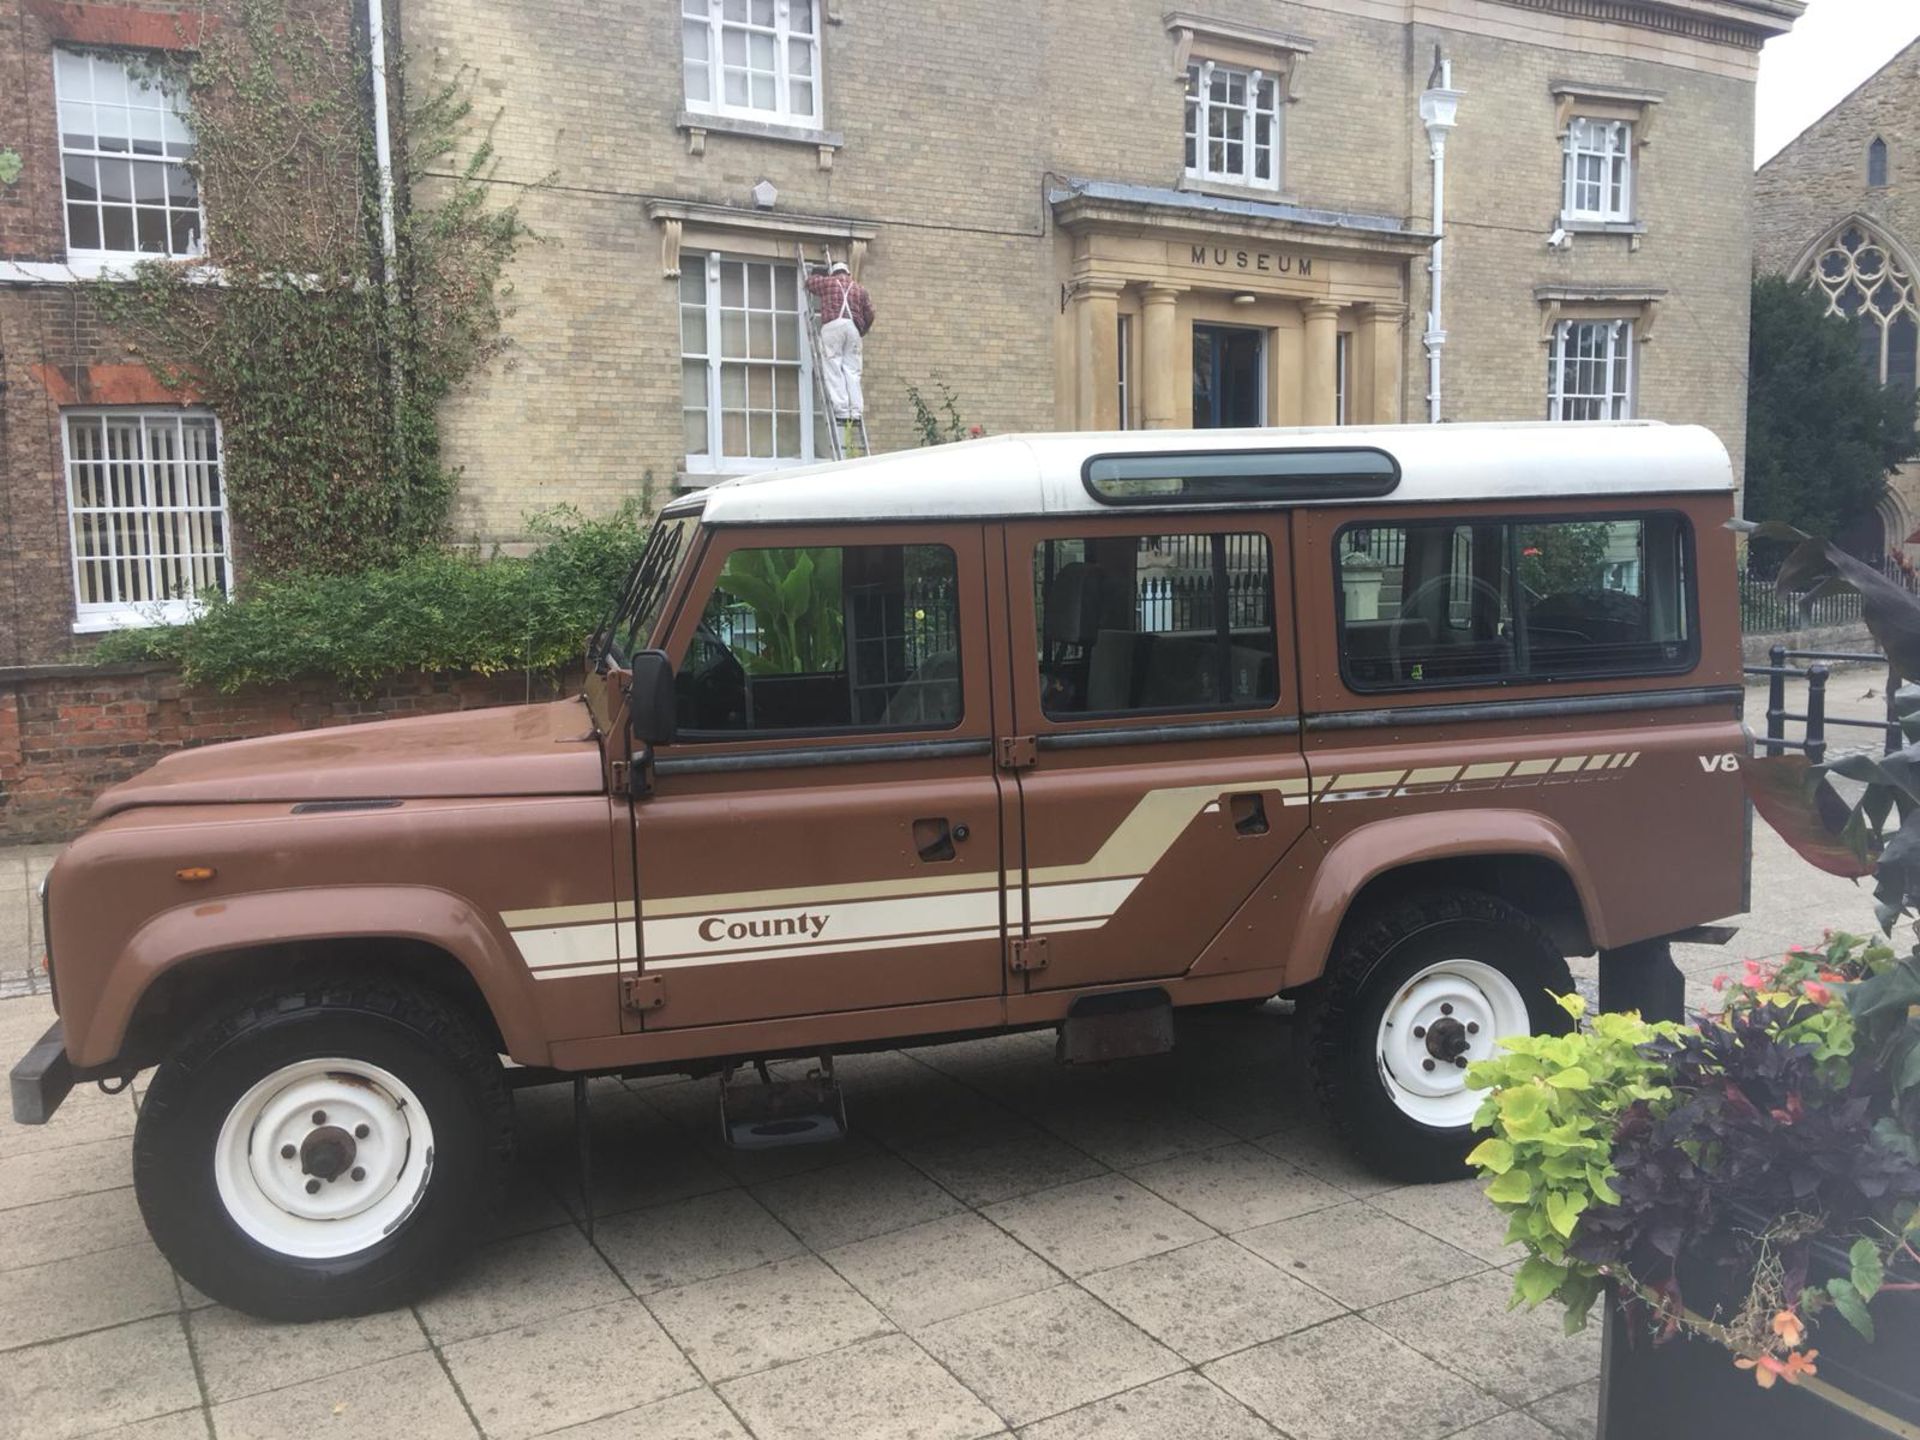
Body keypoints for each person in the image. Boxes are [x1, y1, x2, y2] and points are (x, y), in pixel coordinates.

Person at [804, 258, 874, 452]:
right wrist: (863, 329)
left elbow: (810, 283)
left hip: (832, 326)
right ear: (848, 273)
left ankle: (841, 409)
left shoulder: (827, 283)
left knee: (833, 367)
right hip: (852, 329)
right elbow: (871, 313)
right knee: (852, 371)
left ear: (833, 273)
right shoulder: (859, 289)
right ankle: (856, 410)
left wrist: (812, 274)